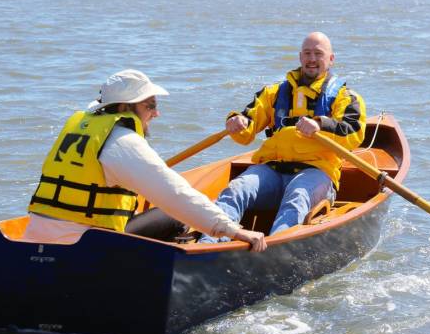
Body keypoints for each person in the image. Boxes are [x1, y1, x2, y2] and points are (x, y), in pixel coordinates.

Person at [23, 69, 266, 252]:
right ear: (124, 106)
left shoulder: (82, 127)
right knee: (173, 215)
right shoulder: (122, 141)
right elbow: (176, 195)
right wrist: (234, 230)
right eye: (150, 105)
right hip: (85, 246)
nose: (156, 113)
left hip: (35, 239)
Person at [200, 32, 366, 243]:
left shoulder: (345, 97)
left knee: (297, 197)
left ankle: (273, 253)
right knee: (236, 189)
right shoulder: (274, 93)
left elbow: (354, 132)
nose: (312, 59)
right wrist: (237, 121)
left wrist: (320, 124)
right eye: (307, 53)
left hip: (316, 172)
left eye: (318, 54)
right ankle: (208, 244)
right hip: (272, 169)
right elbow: (246, 130)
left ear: (331, 59)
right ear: (300, 57)